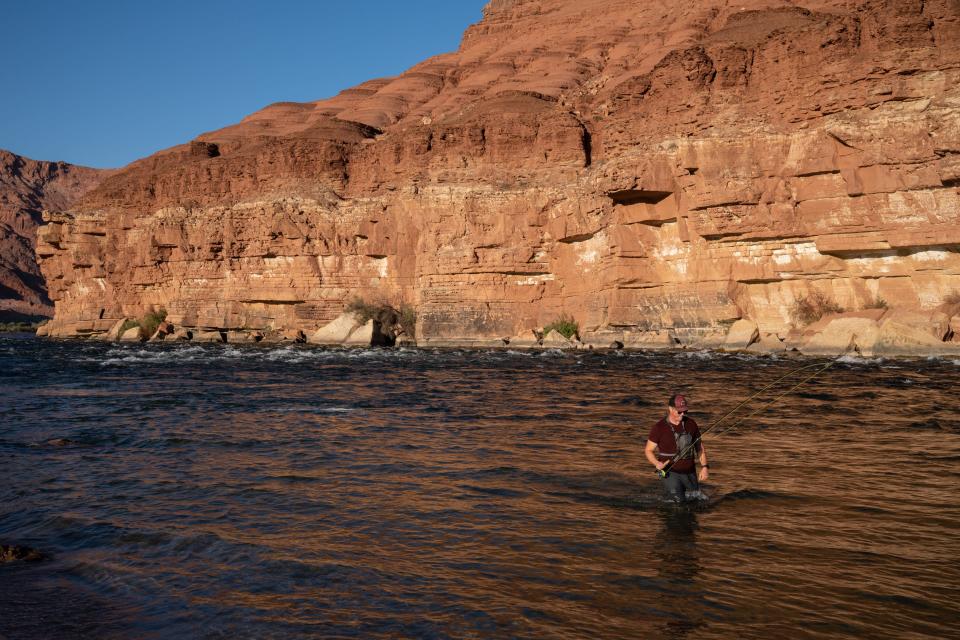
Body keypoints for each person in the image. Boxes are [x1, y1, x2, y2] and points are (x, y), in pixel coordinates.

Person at [645, 393, 709, 501]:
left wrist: (705, 467)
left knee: (696, 501)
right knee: (678, 503)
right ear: (670, 409)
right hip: (670, 473)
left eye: (685, 411)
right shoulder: (659, 427)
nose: (682, 414)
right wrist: (657, 463)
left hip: (690, 472)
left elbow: (699, 447)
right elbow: (648, 450)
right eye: (679, 411)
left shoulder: (691, 424)